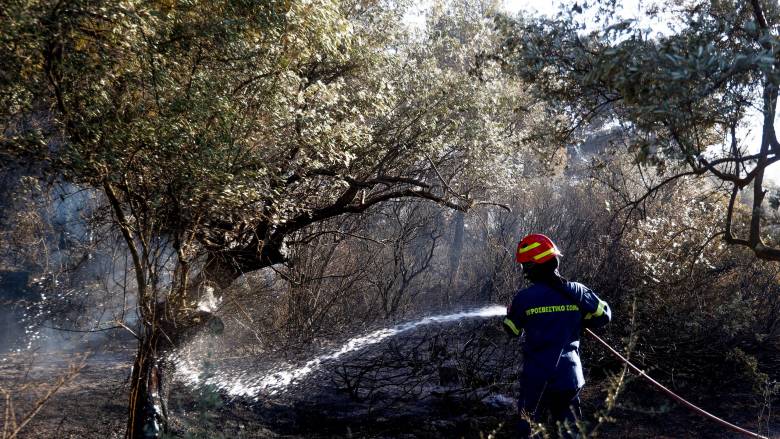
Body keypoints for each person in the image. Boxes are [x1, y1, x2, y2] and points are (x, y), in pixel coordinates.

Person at [503, 234, 611, 438]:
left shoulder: (524, 298)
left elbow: (512, 330)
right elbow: (604, 315)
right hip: (568, 377)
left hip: (536, 380)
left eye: (524, 265)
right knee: (570, 432)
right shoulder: (577, 291)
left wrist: (511, 314)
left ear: (531, 267)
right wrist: (581, 318)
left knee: (528, 431)